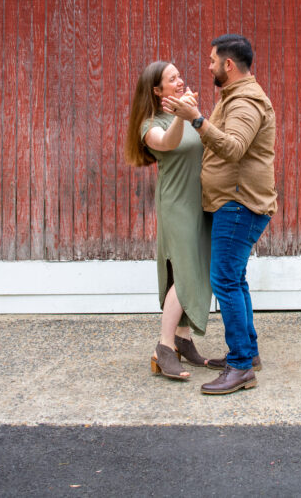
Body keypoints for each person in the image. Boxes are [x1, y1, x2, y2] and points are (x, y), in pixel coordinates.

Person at [162, 34, 276, 396]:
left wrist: (196, 118)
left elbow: (234, 148)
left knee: (225, 281)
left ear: (228, 65)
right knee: (235, 280)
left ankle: (241, 367)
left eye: (212, 60)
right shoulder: (235, 97)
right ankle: (248, 354)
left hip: (238, 204)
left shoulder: (246, 102)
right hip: (234, 201)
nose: (208, 66)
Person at [124, 61, 213, 381]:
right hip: (177, 207)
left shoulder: (187, 114)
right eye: (172, 79)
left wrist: (193, 115)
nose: (180, 81)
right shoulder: (150, 124)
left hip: (200, 203)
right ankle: (163, 348)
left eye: (180, 76)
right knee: (186, 273)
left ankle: (183, 339)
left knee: (197, 268)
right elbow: (168, 143)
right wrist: (182, 114)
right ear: (157, 91)